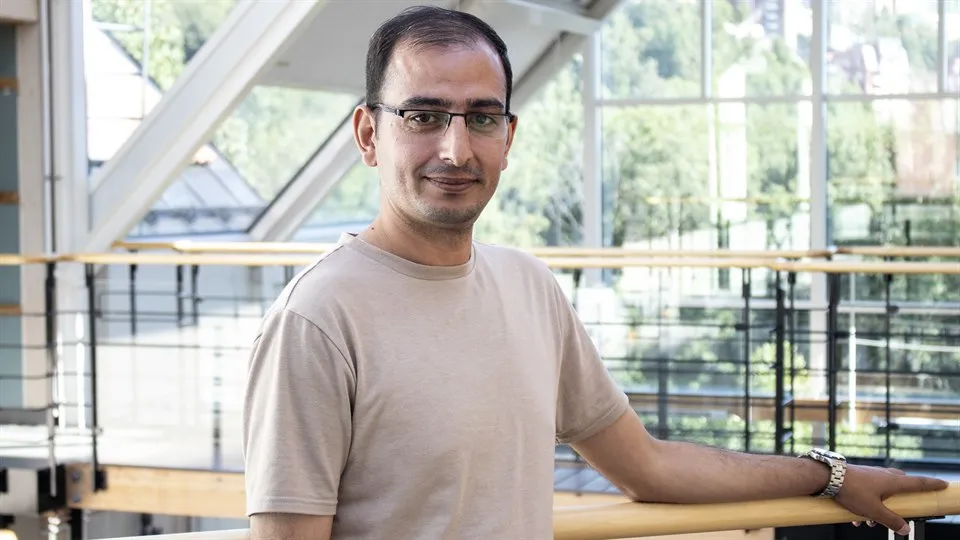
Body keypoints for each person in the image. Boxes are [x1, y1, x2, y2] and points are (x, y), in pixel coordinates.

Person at [241, 5, 948, 540]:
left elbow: (650, 467)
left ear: (509, 138)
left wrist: (827, 476)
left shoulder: (528, 287)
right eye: (424, 115)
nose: (455, 149)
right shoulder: (318, 320)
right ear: (369, 133)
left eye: (481, 119)